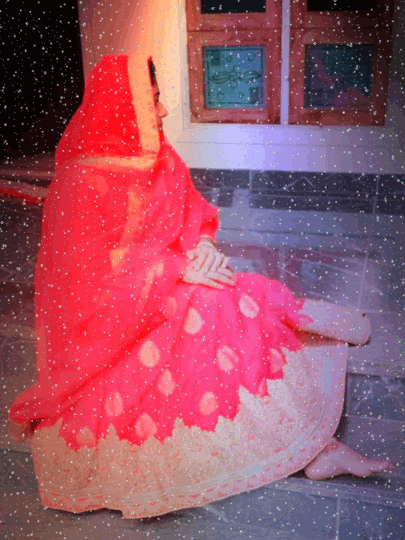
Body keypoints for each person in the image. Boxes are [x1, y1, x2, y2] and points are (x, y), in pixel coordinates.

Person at [9, 53, 393, 519]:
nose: (163, 111)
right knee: (217, 305)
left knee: (225, 292)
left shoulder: (156, 156)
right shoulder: (79, 181)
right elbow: (84, 279)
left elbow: (191, 211)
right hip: (114, 326)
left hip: (164, 286)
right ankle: (312, 447)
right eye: (152, 101)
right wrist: (175, 269)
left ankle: (314, 445)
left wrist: (204, 246)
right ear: (123, 107)